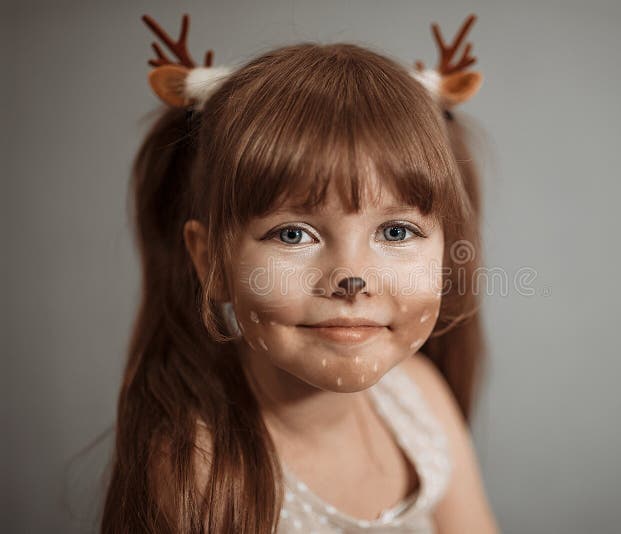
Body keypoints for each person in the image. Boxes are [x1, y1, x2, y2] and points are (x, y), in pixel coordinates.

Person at [101, 11, 498, 533]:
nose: (351, 278)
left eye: (396, 232)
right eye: (293, 234)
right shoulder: (201, 474)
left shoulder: (418, 396)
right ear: (211, 261)